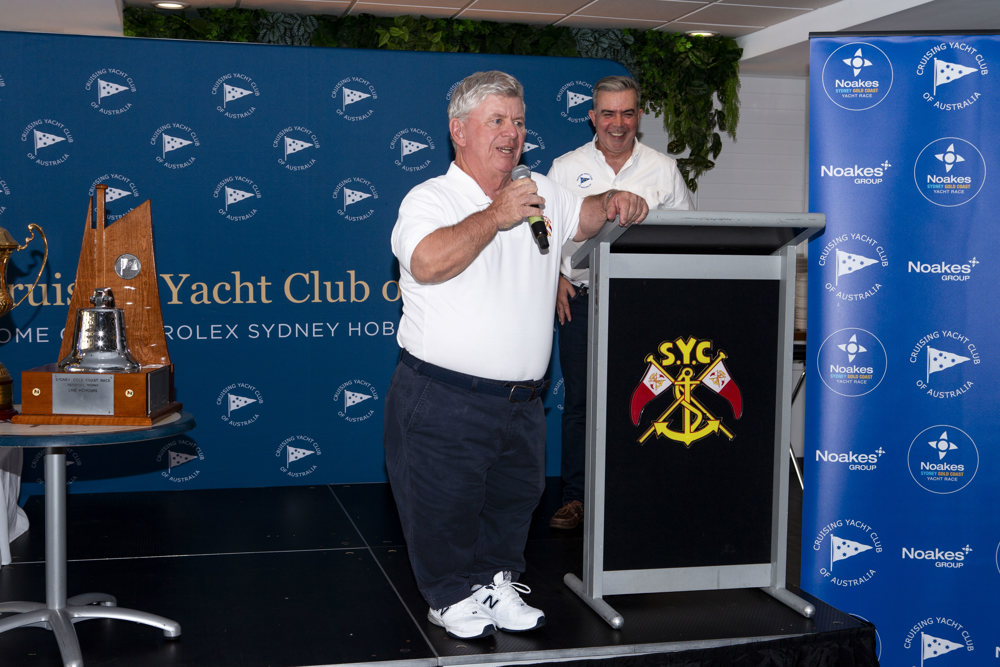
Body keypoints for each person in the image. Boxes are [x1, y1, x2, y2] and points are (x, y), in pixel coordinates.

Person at [383, 70, 649, 641]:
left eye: (520, 121)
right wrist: (497, 215)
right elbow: (427, 262)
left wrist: (613, 199)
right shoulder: (431, 198)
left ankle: (496, 582)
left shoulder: (540, 190)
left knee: (512, 504)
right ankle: (448, 596)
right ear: (459, 131)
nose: (512, 134)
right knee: (444, 507)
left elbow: (586, 214)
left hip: (522, 400)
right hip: (445, 395)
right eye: (497, 121)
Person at [547, 75, 694, 530]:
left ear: (639, 118)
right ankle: (576, 498)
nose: (617, 123)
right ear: (592, 117)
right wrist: (553, 278)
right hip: (583, 301)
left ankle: (639, 491)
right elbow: (540, 234)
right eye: (607, 113)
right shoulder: (565, 168)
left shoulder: (663, 169)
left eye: (626, 113)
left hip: (644, 304)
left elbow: (687, 234)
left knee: (648, 400)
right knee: (581, 404)